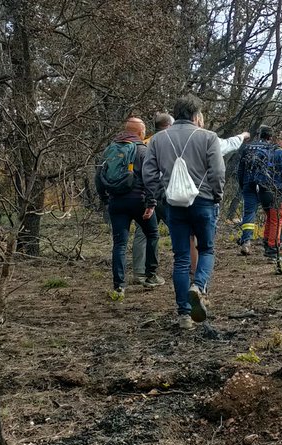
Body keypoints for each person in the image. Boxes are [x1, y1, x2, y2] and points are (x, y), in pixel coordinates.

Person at [145, 95, 225, 330]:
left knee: (180, 259)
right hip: (204, 202)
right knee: (207, 249)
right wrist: (216, 195)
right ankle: (198, 286)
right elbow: (218, 172)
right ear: (196, 115)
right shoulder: (208, 137)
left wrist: (161, 195)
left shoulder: (158, 140)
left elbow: (148, 174)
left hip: (174, 205)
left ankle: (184, 315)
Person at [96, 117, 159, 295]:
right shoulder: (143, 150)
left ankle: (119, 286)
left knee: (120, 245)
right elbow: (150, 178)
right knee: (152, 234)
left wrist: (105, 199)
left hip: (117, 202)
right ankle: (150, 276)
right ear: (140, 132)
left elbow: (98, 176)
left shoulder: (110, 149)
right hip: (138, 201)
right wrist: (151, 203)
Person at [130, 112, 173, 287]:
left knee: (143, 233)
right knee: (181, 230)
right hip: (163, 193)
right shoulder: (168, 141)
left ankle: (139, 272)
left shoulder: (144, 142)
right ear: (168, 125)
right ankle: (186, 266)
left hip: (142, 193)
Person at [236, 127, 282, 260]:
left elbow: (240, 169)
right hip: (272, 188)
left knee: (251, 213)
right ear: (273, 138)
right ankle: (272, 249)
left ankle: (247, 241)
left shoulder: (249, 148)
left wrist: (242, 184)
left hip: (251, 185)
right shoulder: (277, 152)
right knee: (276, 218)